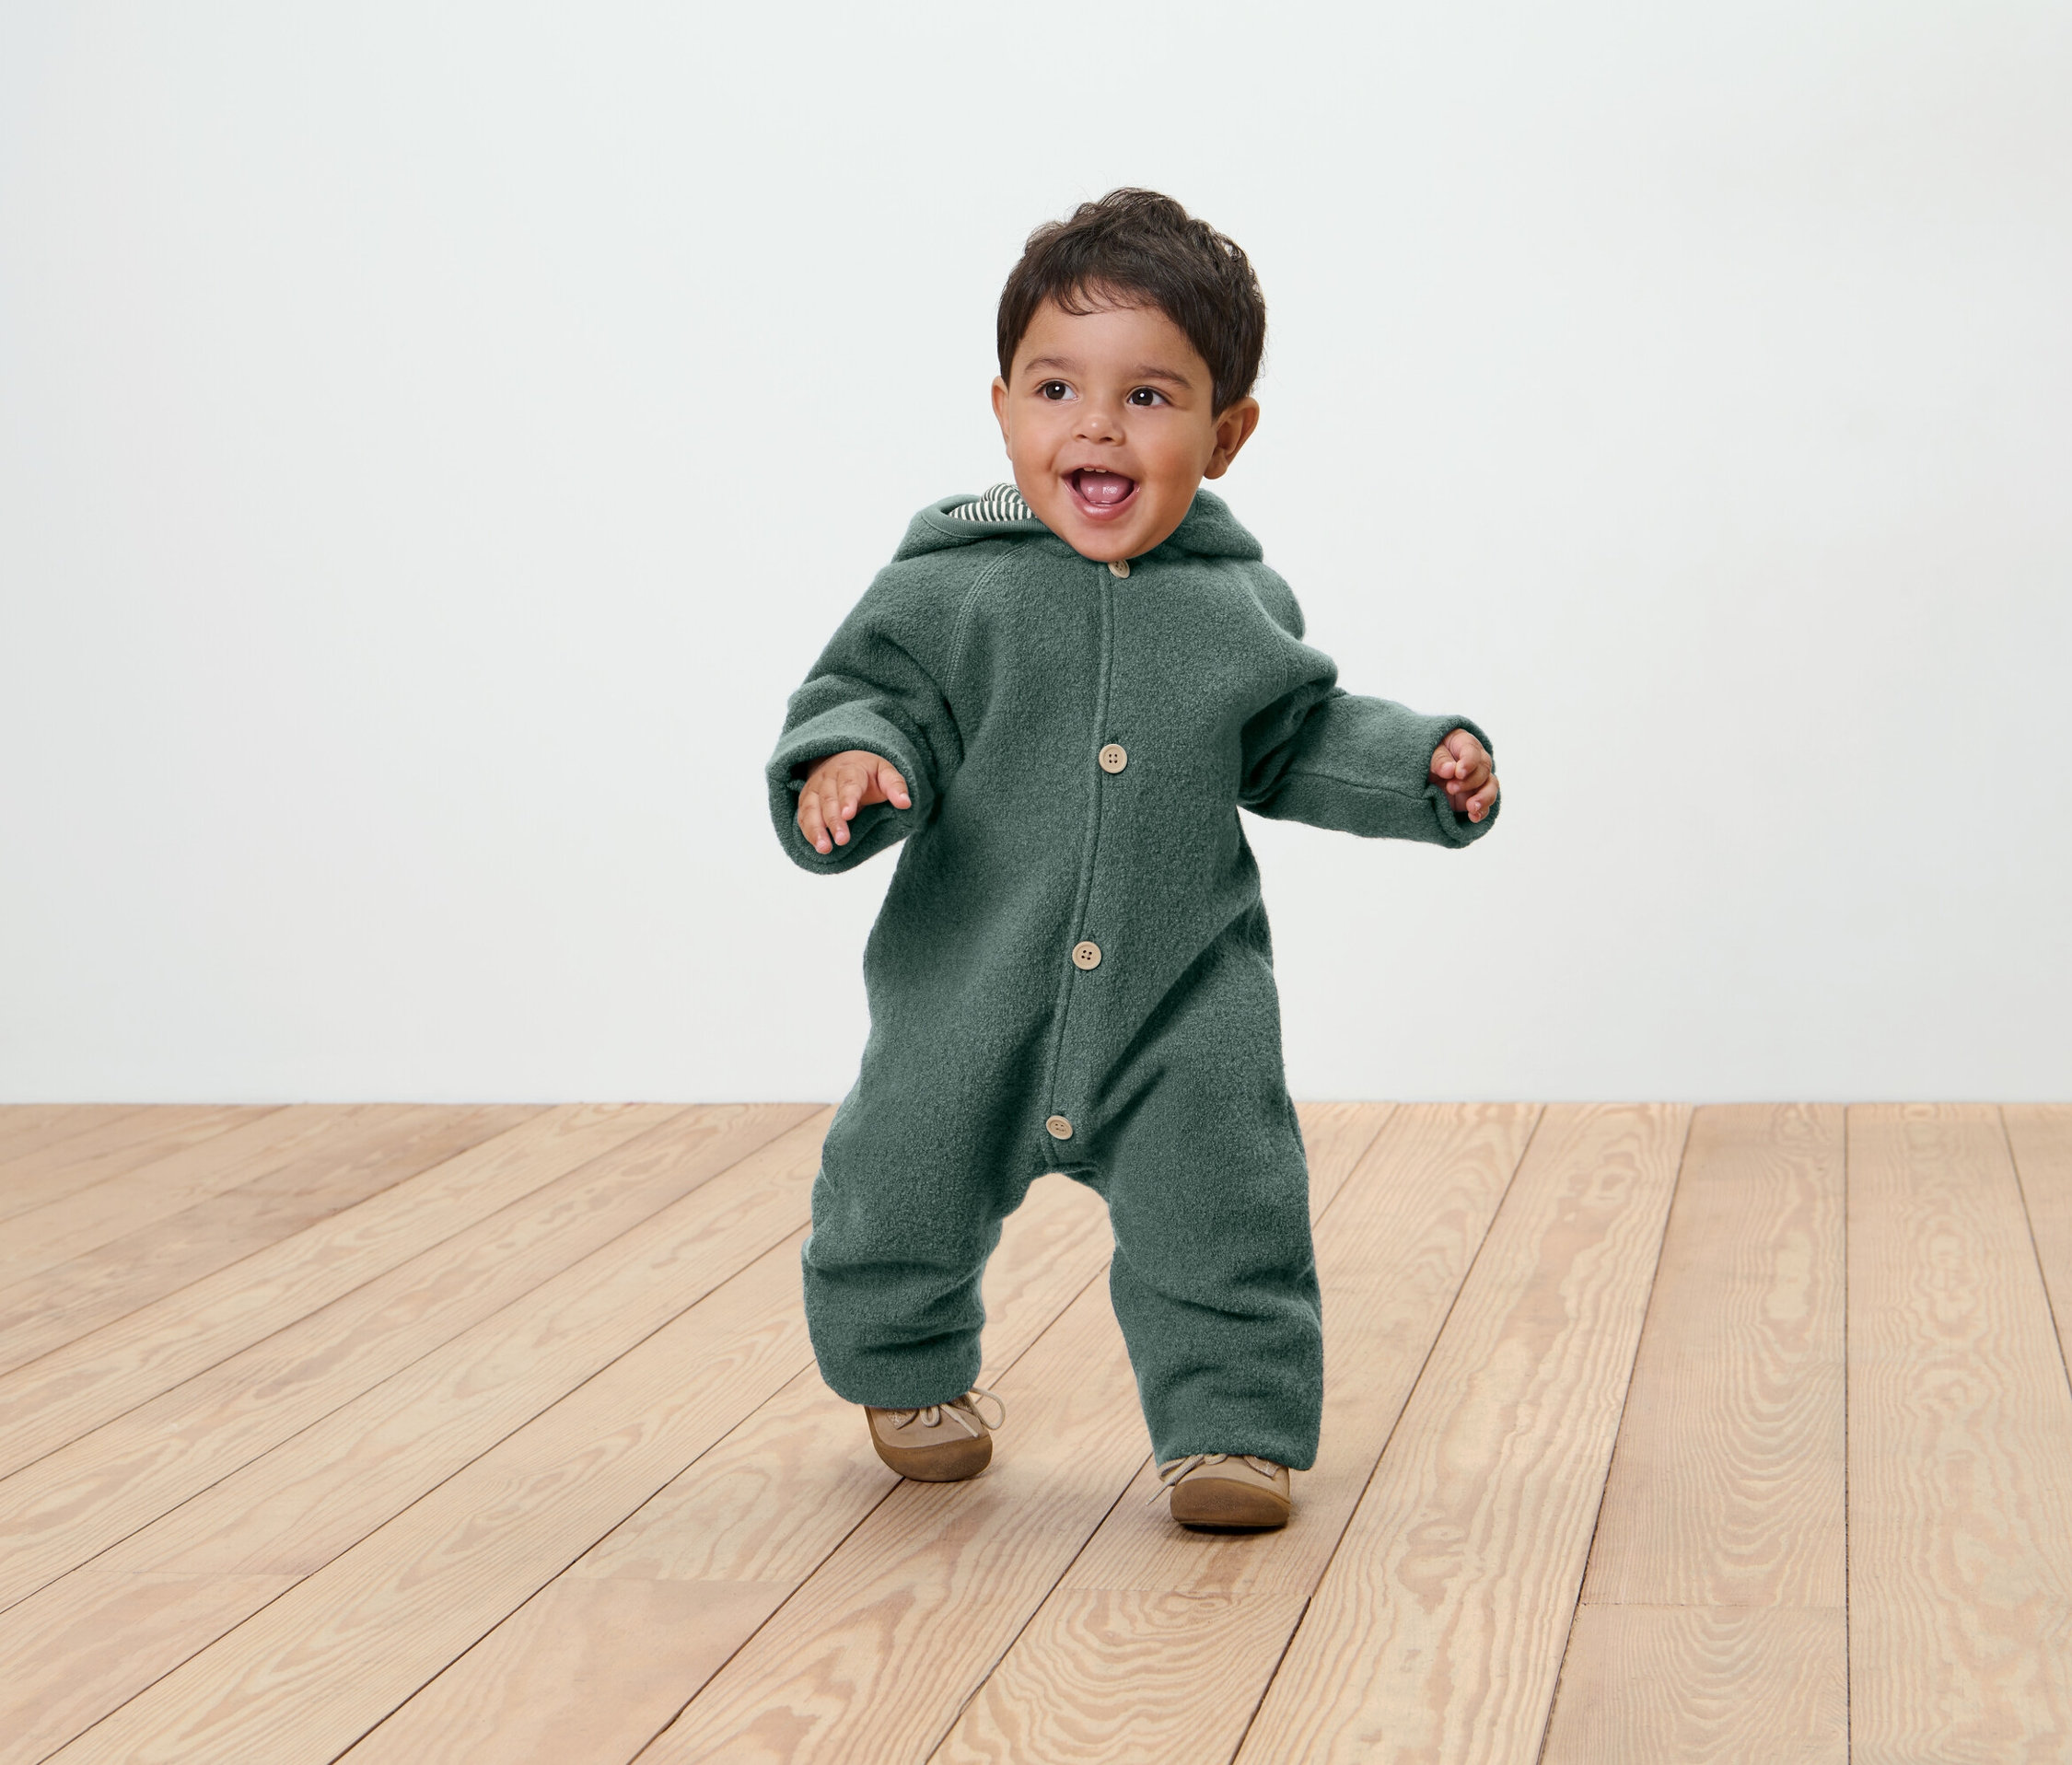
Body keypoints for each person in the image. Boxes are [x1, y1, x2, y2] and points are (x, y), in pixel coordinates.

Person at [764, 189, 1499, 1530]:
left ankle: (1228, 1424)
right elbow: (873, 701)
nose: (1095, 425)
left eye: (1149, 397)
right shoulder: (947, 585)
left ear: (1225, 436)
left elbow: (1295, 737)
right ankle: (903, 1368)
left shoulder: (1234, 607)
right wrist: (853, 768)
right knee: (898, 1182)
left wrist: (1419, 765)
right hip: (966, 988)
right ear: (1001, 410)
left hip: (1181, 1002)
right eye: (1056, 386)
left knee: (1228, 1206)